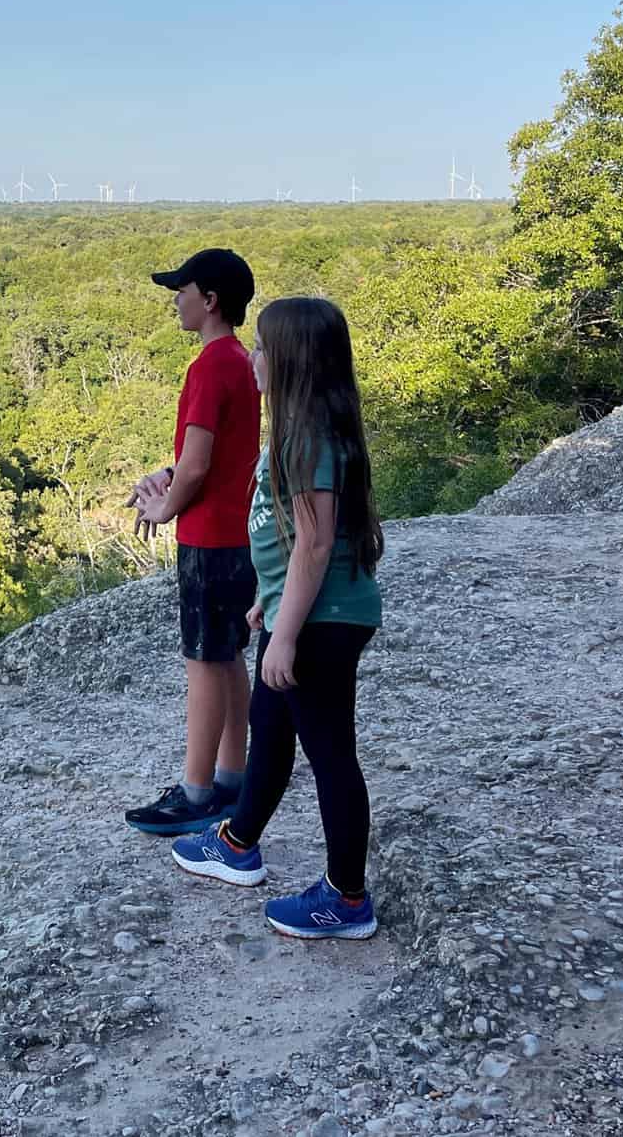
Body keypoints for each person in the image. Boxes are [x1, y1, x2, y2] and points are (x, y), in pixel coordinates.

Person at [169, 295, 386, 940]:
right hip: (305, 611)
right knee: (271, 728)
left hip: (321, 623)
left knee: (330, 755)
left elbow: (318, 544)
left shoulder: (309, 436)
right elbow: (297, 542)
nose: (254, 357)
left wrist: (286, 635)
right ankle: (237, 843)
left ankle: (348, 899)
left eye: (263, 347)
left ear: (289, 360)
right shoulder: (302, 428)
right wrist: (272, 598)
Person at [124, 247, 261, 835]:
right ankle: (233, 778)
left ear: (209, 301)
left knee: (204, 661)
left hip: (208, 537)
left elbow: (200, 465)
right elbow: (212, 459)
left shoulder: (207, 367)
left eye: (183, 290)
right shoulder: (239, 361)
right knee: (228, 656)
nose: (175, 299)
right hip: (242, 534)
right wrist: (170, 473)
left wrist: (165, 504)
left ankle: (196, 790)